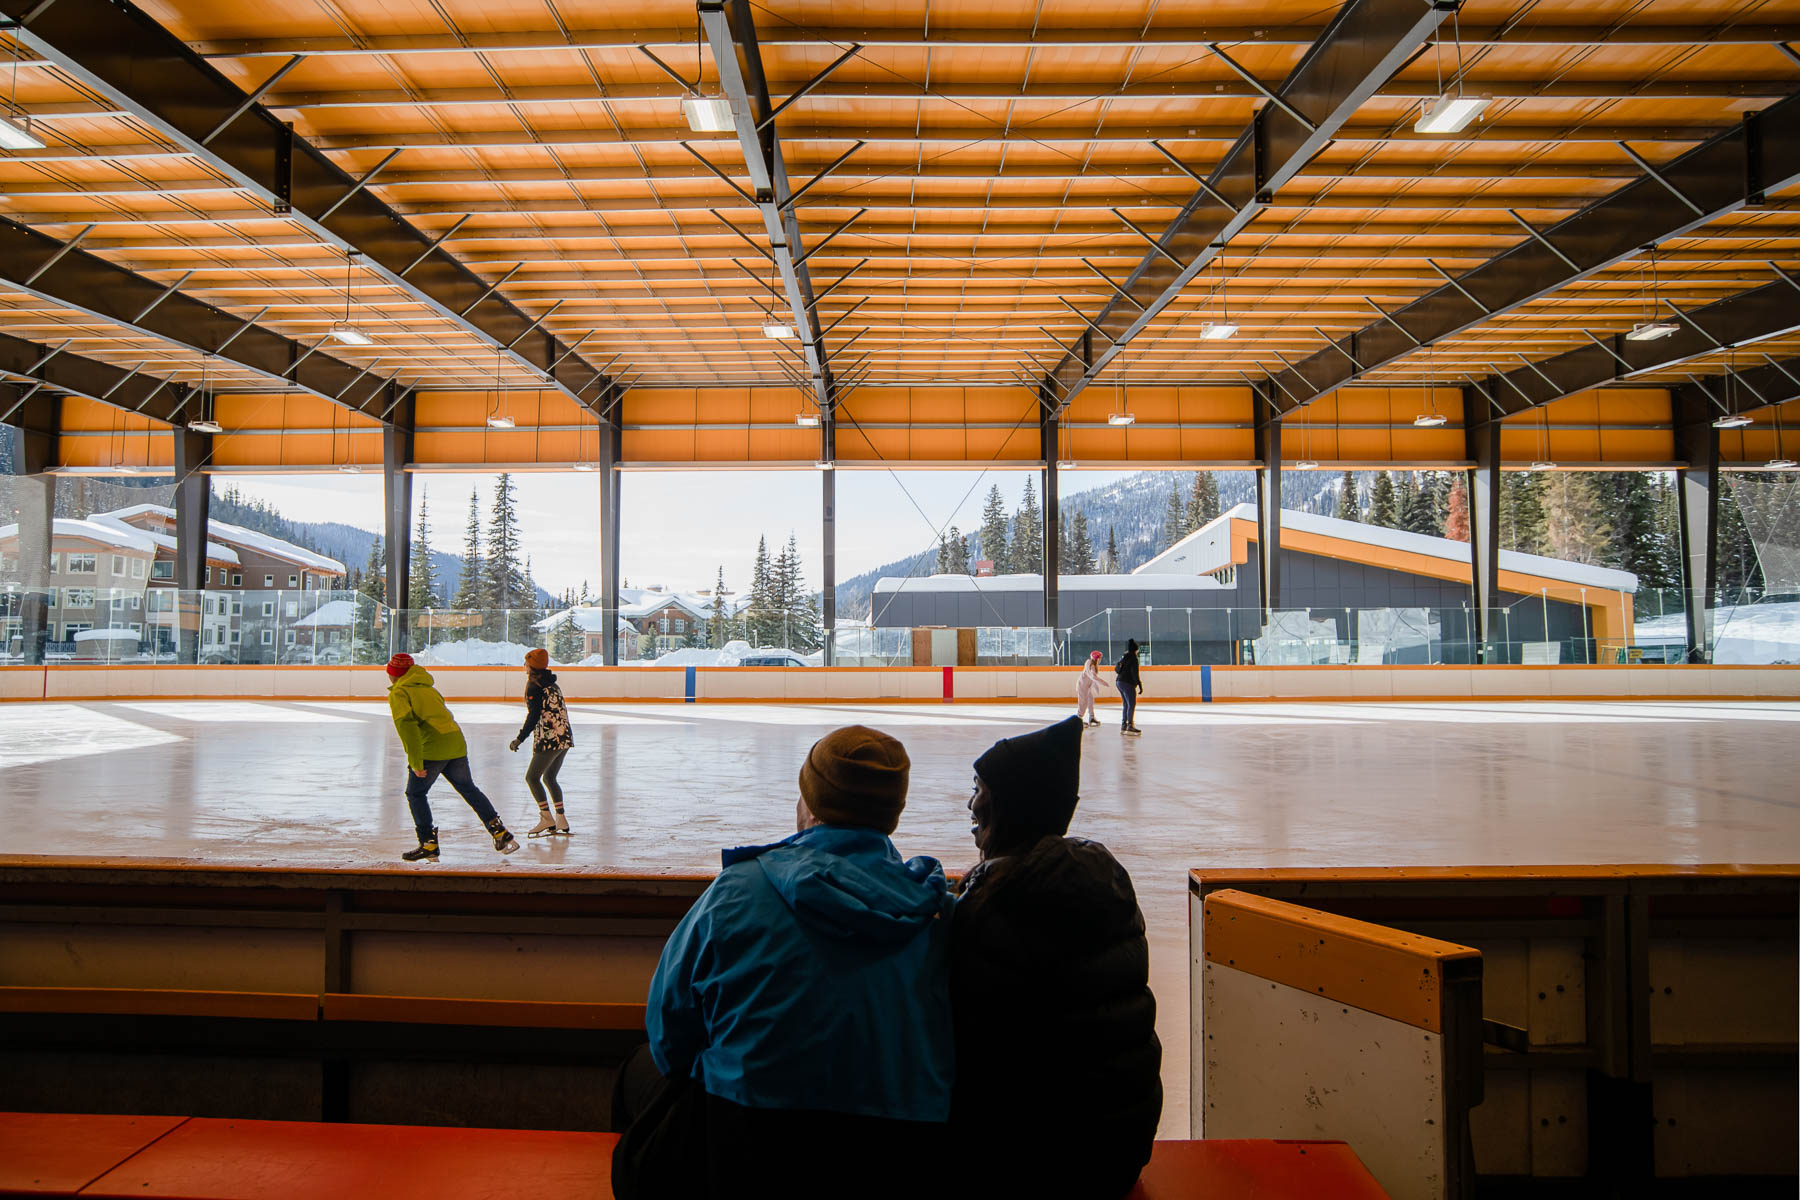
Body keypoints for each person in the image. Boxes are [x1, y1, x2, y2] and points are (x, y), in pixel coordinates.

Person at [611, 725, 954, 1199]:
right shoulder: (937, 911)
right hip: (901, 1151)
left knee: (640, 1074)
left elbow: (669, 1037)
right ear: (892, 814)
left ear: (809, 806)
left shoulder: (736, 892)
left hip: (751, 1146)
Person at [950, 715, 1162, 1197]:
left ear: (1009, 806)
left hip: (1041, 1164)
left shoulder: (1002, 906)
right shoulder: (1100, 883)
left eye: (978, 789)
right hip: (1119, 1152)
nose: (970, 803)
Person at [385, 652, 518, 861]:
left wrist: (416, 762)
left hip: (432, 748)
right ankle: (499, 832)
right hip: (455, 744)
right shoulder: (429, 688)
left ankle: (428, 843)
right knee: (468, 788)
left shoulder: (399, 693)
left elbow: (407, 730)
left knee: (415, 794)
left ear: (393, 674)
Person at [508, 647, 573, 837]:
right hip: (564, 737)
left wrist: (519, 738)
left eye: (526, 663)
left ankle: (546, 817)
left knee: (532, 777)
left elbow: (533, 715)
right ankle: (560, 818)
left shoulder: (534, 686)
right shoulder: (552, 683)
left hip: (549, 739)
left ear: (531, 666)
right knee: (550, 777)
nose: (524, 666)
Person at [1076, 648, 1113, 727]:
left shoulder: (1092, 664)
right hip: (1082, 686)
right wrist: (1103, 683)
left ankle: (1091, 717)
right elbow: (1093, 677)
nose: (1100, 659)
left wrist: (1095, 687)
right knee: (1083, 702)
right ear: (1097, 658)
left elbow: (1092, 679)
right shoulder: (1091, 665)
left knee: (1090, 700)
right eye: (1100, 658)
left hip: (1087, 687)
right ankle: (1078, 719)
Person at [1115, 637, 1143, 734]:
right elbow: (1135, 673)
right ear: (1135, 650)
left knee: (1126, 704)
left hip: (1119, 682)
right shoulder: (1133, 658)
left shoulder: (1124, 657)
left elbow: (1117, 669)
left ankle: (1124, 725)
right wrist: (1139, 684)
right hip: (1127, 683)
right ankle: (1130, 725)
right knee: (1131, 704)